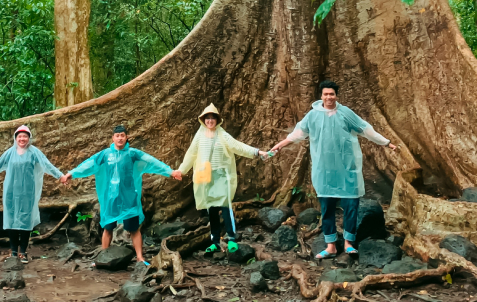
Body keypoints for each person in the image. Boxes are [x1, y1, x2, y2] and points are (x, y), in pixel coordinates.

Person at [270, 81, 397, 259]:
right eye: (326, 94)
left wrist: (386, 142)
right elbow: (297, 134)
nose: (329, 97)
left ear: (336, 95)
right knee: (327, 208)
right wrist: (280, 145)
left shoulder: (346, 113)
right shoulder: (313, 115)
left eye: (332, 94)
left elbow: (366, 129)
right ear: (321, 96)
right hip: (324, 171)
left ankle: (348, 243)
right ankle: (331, 245)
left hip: (346, 169)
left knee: (351, 206)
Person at [60, 125, 182, 265]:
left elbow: (151, 161)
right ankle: (104, 257)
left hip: (129, 198)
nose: (120, 138)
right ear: (113, 138)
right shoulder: (105, 155)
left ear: (126, 138)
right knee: (108, 228)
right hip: (111, 199)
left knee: (134, 229)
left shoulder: (133, 154)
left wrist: (170, 172)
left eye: (122, 135)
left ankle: (140, 257)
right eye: (117, 136)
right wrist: (71, 174)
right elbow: (88, 164)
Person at [178, 104, 270, 253]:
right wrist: (181, 171)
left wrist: (257, 152)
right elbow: (191, 154)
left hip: (221, 175)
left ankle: (232, 238)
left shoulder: (222, 134)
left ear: (217, 120)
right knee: (212, 209)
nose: (209, 121)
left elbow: (237, 146)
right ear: (203, 120)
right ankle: (215, 241)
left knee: (225, 206)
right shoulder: (199, 135)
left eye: (212, 118)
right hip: (206, 177)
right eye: (207, 118)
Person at [0, 125, 63, 264]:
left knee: (25, 222)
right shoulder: (10, 153)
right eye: (19, 136)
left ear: (29, 138)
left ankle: (23, 252)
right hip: (11, 192)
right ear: (15, 138)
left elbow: (47, 165)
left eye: (25, 136)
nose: (22, 139)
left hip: (27, 193)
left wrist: (60, 176)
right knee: (11, 220)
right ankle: (14, 252)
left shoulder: (34, 152)